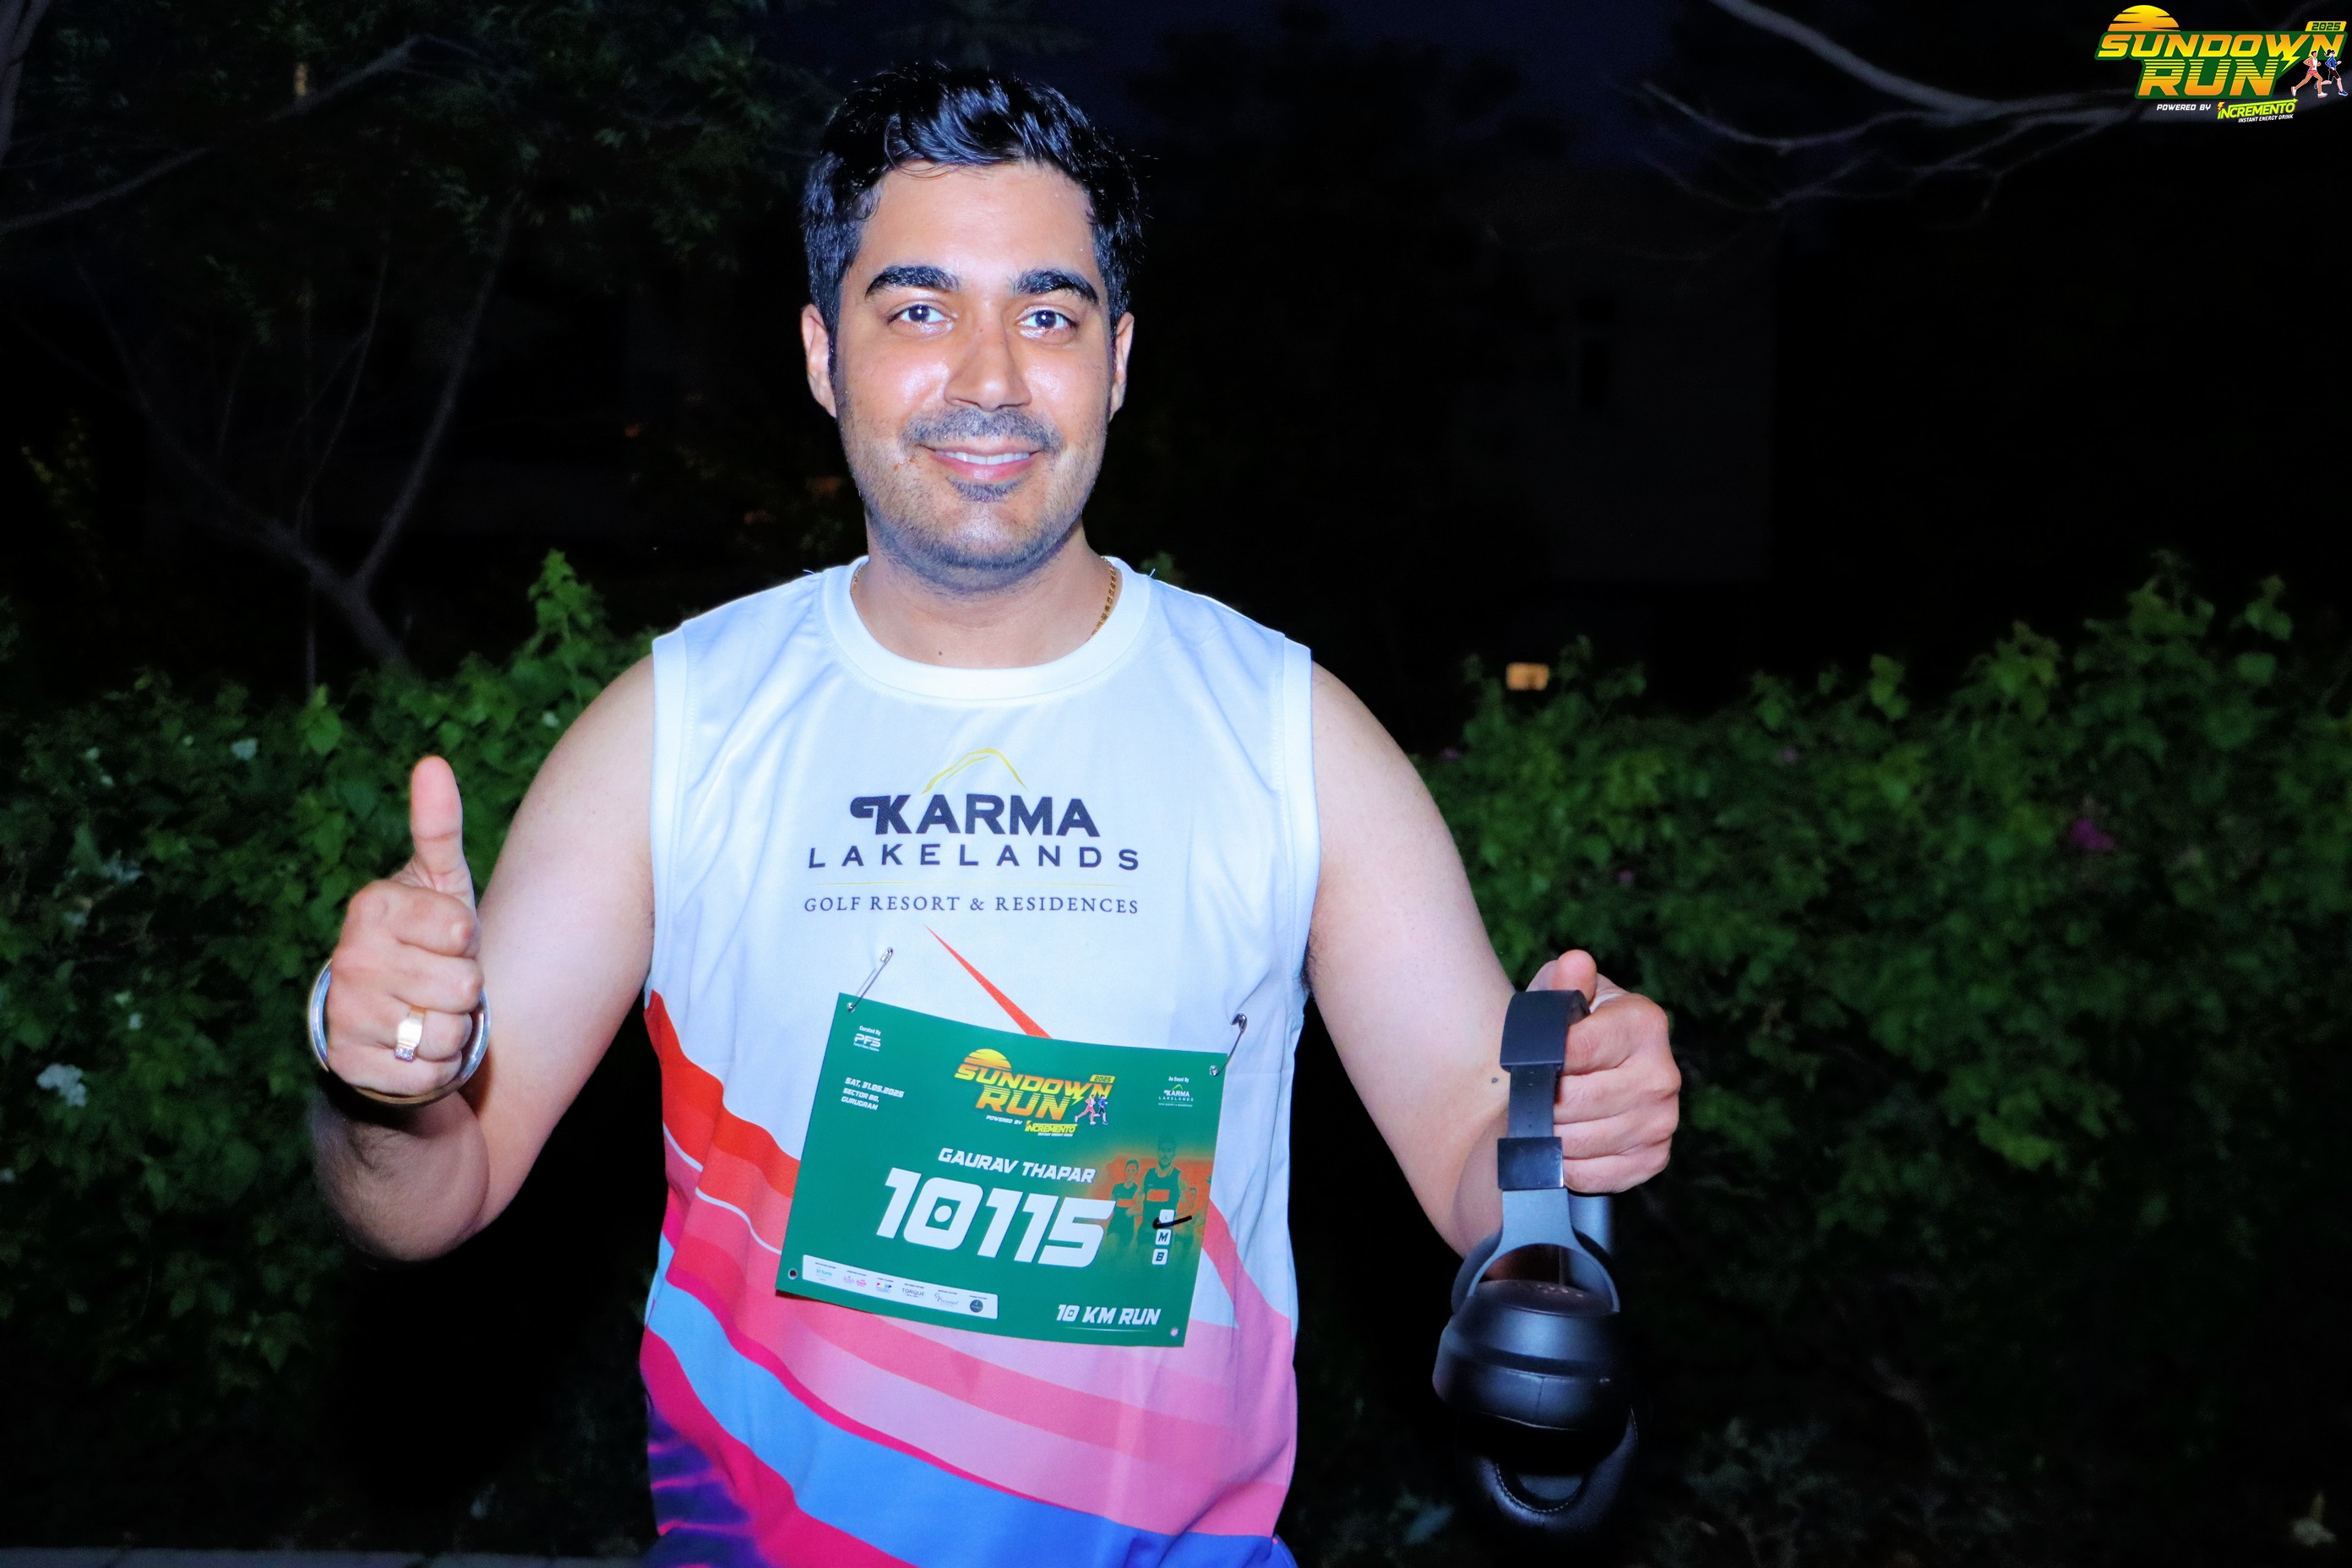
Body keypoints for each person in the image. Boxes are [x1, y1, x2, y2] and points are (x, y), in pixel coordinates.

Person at [310, 63, 1679, 1568]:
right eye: (918, 310)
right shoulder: (676, 728)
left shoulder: (1289, 731)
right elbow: (430, 1197)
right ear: (824, 354)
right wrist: (382, 1083)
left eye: (1047, 316)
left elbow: (1479, 1155)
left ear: (1119, 358)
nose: (990, 379)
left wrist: (1568, 1126)